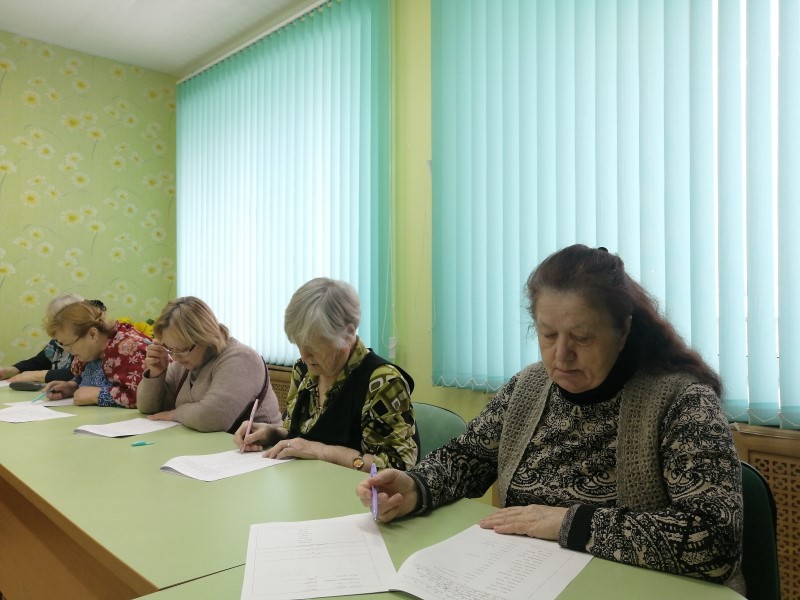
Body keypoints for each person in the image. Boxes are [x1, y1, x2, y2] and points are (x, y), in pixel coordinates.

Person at [357, 244, 744, 593]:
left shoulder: (682, 402)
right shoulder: (527, 388)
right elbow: (467, 457)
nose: (561, 356)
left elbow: (715, 540)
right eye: (548, 335)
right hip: (521, 580)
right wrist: (416, 486)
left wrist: (568, 523)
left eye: (582, 337)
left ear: (623, 331)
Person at [234, 277, 419, 472]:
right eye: (299, 344)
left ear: (348, 334)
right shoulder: (303, 370)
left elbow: (399, 466)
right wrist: (271, 433)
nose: (304, 355)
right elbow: (296, 433)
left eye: (315, 346)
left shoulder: (382, 382)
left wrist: (322, 452)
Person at [137, 296, 282, 433]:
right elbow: (148, 409)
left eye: (182, 349)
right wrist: (156, 374)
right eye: (170, 349)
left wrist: (174, 414)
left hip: (258, 448)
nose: (175, 357)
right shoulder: (186, 361)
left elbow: (213, 418)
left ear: (205, 336)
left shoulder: (241, 358)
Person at [44, 300, 150, 407]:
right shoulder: (92, 351)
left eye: (68, 345)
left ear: (92, 334)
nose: (68, 351)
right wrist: (72, 386)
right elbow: (88, 376)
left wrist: (97, 395)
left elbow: (140, 396)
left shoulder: (127, 349)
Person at [0, 293, 86, 383]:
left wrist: (37, 376)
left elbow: (79, 374)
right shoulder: (56, 343)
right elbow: (39, 362)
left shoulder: (85, 348)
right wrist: (13, 370)